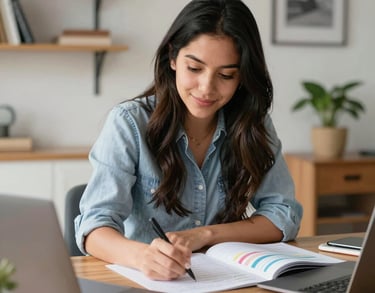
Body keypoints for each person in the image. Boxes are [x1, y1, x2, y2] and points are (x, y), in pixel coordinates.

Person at [75, 0, 303, 281]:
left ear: (242, 75)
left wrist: (205, 235)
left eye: (226, 75)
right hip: (148, 282)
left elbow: (283, 214)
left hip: (226, 281)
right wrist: (142, 257)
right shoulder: (129, 123)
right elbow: (94, 228)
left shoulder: (252, 125)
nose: (207, 88)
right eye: (194, 68)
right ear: (172, 57)